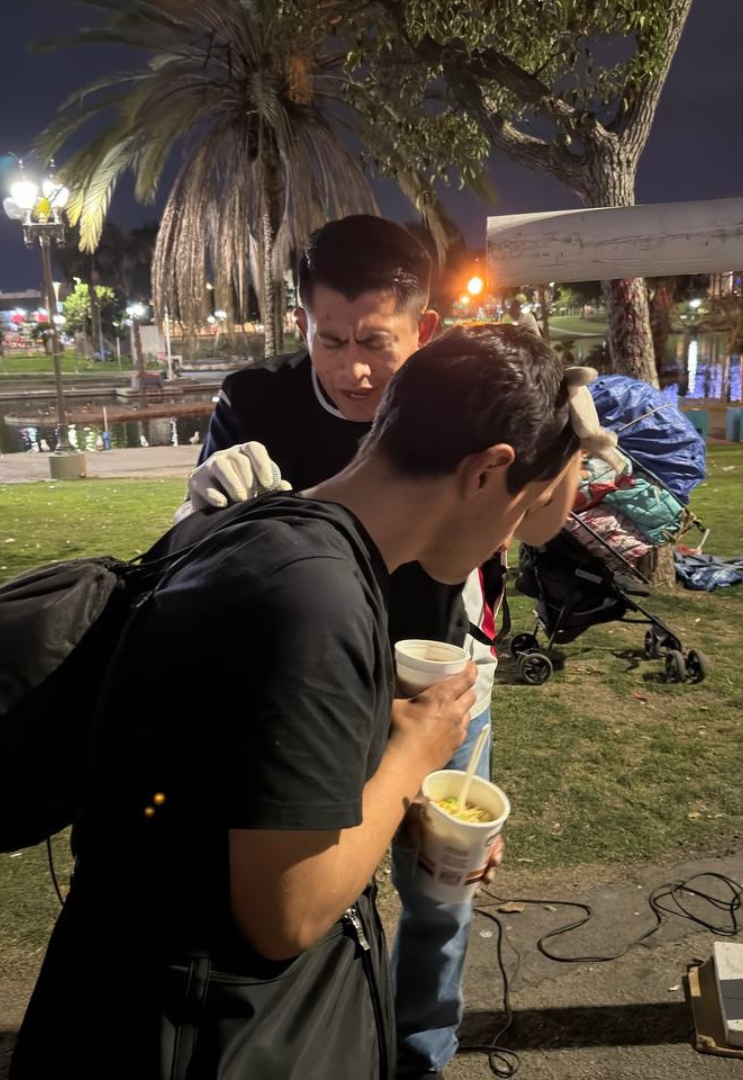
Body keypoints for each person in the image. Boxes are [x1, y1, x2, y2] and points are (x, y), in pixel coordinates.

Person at [8, 325, 583, 1079]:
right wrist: (416, 752)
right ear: (487, 471)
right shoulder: (317, 599)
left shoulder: (265, 529)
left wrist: (391, 807)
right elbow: (287, 914)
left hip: (119, 997)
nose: (508, 535)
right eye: (520, 508)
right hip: (197, 1034)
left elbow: (233, 764)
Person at [180, 215, 500, 1078]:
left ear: (423, 327)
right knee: (316, 893)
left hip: (433, 671)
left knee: (441, 891)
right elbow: (199, 556)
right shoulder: (255, 401)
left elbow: (508, 526)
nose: (354, 369)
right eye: (331, 341)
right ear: (304, 324)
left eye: (375, 342)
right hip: (308, 684)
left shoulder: (455, 397)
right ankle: (339, 1049)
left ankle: (420, 1057)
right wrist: (200, 503)